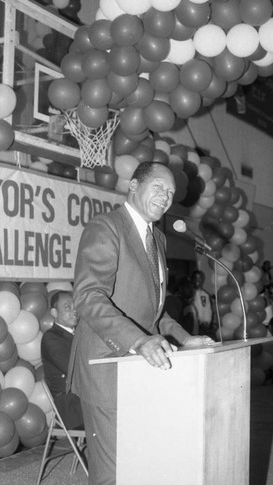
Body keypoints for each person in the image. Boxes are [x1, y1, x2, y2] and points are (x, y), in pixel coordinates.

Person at [67, 161, 214, 485]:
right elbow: (89, 296)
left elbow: (154, 312)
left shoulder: (158, 239)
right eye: (159, 187)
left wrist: (183, 338)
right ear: (133, 185)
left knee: (141, 462)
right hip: (106, 363)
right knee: (113, 472)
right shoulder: (105, 227)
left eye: (171, 193)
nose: (166, 197)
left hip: (140, 368)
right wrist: (138, 341)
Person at [41, 290, 84, 430]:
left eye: (75, 307)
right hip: (72, 406)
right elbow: (75, 370)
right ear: (54, 313)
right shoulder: (51, 338)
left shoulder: (80, 334)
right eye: (68, 307)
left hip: (85, 398)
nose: (74, 311)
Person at [191, 269, 213, 335]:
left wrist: (206, 321)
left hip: (202, 327)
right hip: (191, 326)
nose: (198, 281)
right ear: (192, 279)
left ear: (202, 280)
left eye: (200, 278)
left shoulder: (205, 295)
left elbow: (207, 309)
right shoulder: (189, 293)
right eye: (196, 278)